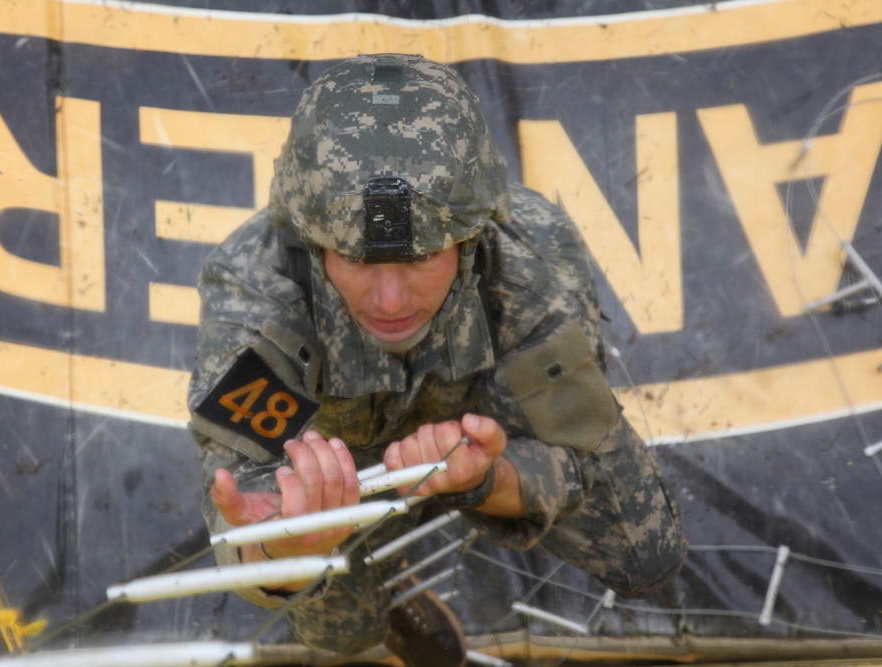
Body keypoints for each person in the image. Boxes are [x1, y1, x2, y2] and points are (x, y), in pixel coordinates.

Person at [188, 53, 688, 666]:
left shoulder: (533, 255)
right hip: (342, 469)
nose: (391, 301)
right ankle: (388, 579)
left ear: (471, 237)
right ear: (312, 242)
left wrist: (483, 480)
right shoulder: (255, 288)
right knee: (339, 632)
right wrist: (289, 550)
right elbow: (244, 505)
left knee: (648, 551)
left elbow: (577, 455)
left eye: (422, 258)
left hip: (486, 426)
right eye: (360, 260)